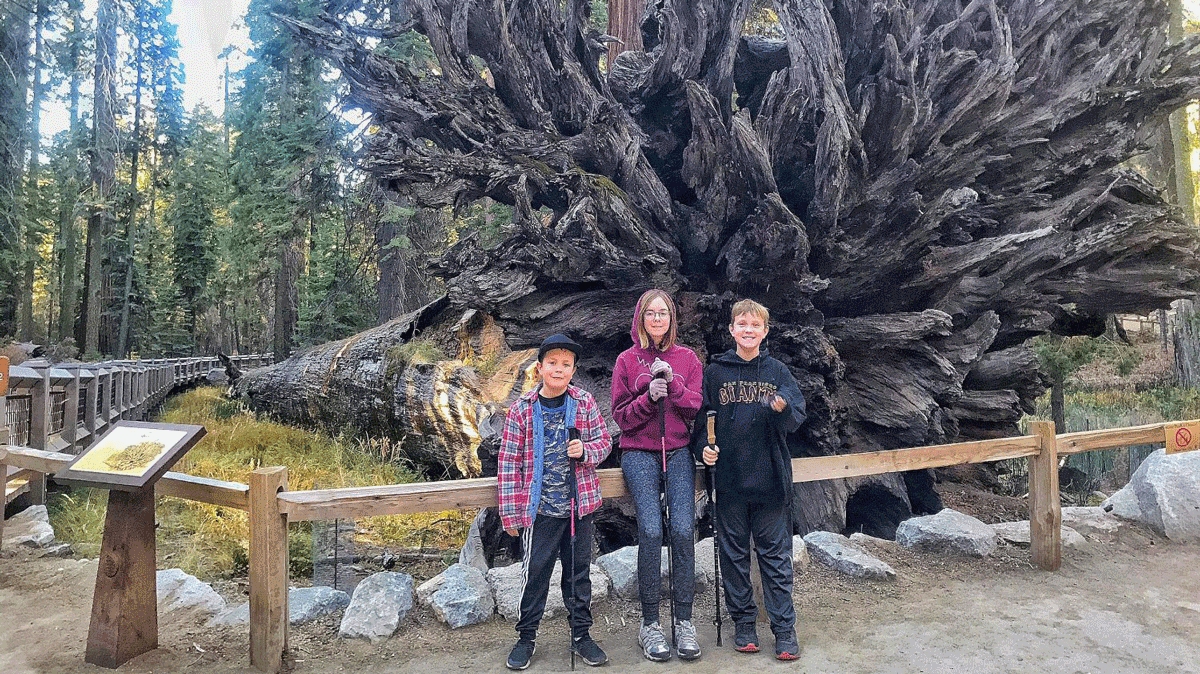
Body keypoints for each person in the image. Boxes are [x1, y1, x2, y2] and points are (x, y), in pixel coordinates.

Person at [691, 299, 806, 661]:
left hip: (771, 482)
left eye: (755, 325)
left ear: (765, 331)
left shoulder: (777, 371)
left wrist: (782, 407)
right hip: (729, 484)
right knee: (734, 557)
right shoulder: (715, 373)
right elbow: (698, 424)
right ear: (732, 330)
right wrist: (702, 451)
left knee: (775, 559)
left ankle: (784, 630)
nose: (748, 330)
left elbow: (798, 413)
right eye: (742, 324)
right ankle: (743, 624)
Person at [499, 333, 614, 670]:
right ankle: (525, 636)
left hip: (579, 508)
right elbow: (508, 463)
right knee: (535, 574)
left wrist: (586, 452)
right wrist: (511, 513)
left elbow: (603, 442)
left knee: (578, 575)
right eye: (553, 363)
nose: (559, 370)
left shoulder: (584, 403)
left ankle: (581, 635)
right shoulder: (521, 410)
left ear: (573, 370)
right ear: (539, 368)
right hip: (540, 512)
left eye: (566, 365)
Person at [611, 289, 705, 662]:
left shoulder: (687, 358)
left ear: (671, 319)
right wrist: (649, 396)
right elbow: (621, 417)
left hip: (679, 451)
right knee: (650, 529)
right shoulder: (626, 360)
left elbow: (694, 407)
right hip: (639, 453)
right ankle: (650, 623)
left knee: (683, 529)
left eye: (663, 313)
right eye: (650, 313)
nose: (656, 319)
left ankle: (683, 621)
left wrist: (673, 385)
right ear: (640, 318)